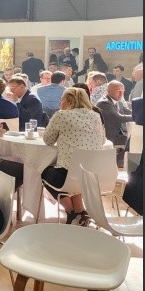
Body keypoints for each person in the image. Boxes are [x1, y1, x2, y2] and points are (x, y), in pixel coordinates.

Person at [41, 88, 106, 225]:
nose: (60, 103)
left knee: (43, 171)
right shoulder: (96, 116)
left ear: (69, 100)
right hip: (93, 175)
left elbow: (48, 140)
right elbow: (102, 140)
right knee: (76, 171)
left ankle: (71, 212)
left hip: (67, 174)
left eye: (62, 100)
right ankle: (80, 212)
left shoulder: (62, 115)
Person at [96, 81, 133, 148]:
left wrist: (139, 114)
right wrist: (138, 117)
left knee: (136, 139)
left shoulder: (118, 102)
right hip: (109, 137)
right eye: (118, 91)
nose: (121, 94)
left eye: (123, 91)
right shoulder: (104, 103)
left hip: (118, 135)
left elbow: (129, 112)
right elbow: (119, 118)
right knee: (135, 141)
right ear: (109, 91)